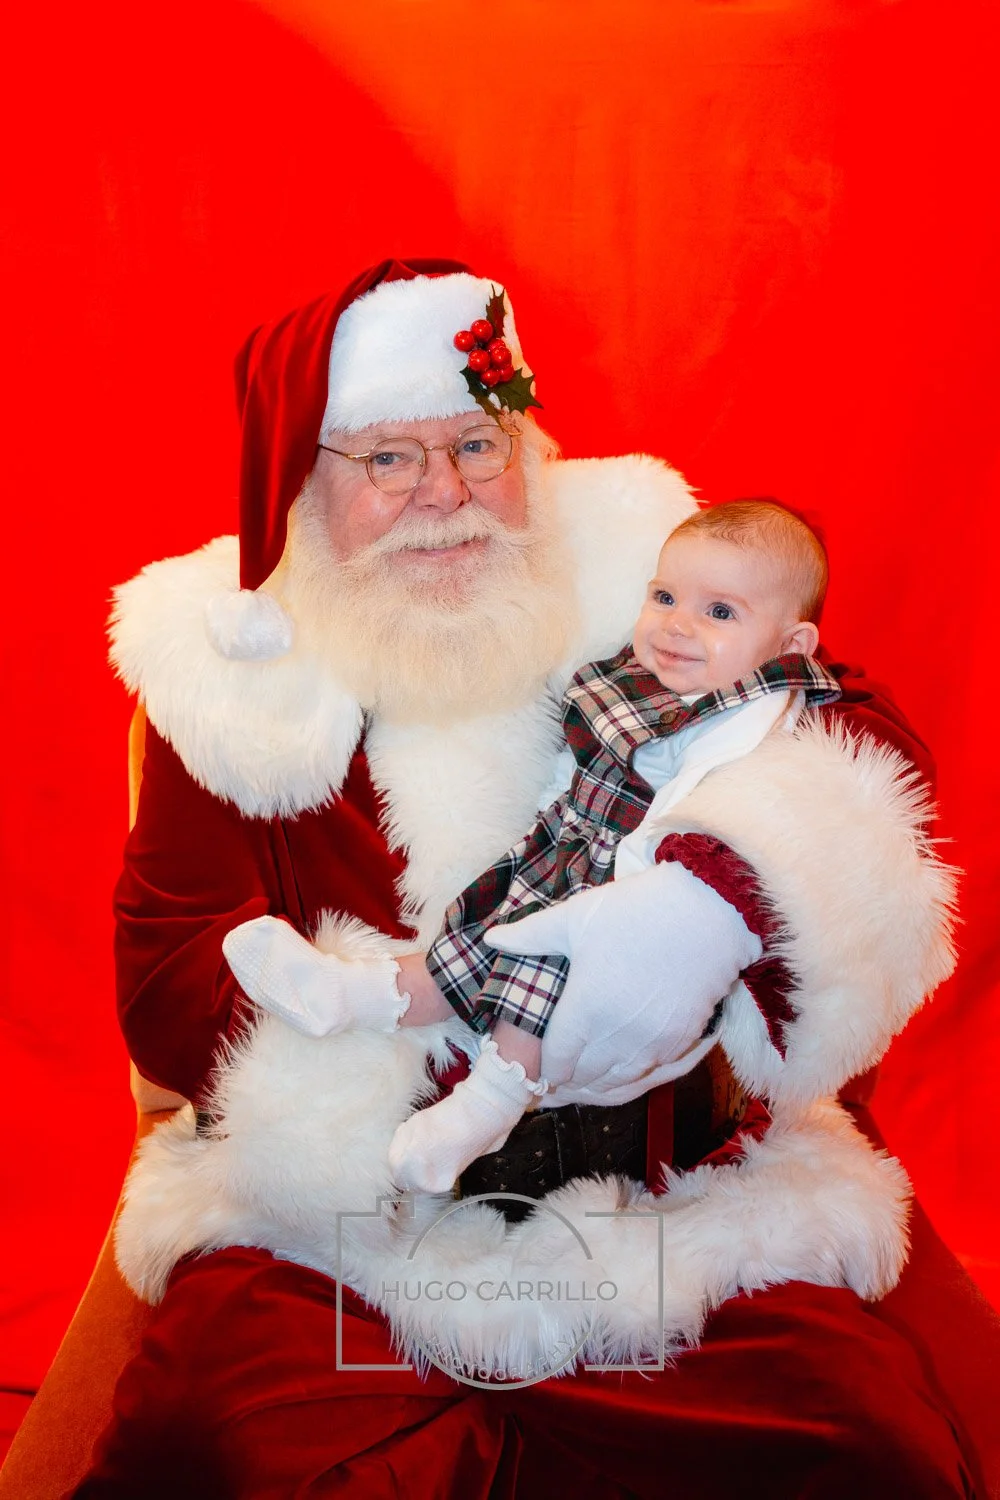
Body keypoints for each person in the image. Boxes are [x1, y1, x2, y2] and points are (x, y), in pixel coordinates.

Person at [79, 258, 976, 1498]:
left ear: (528, 449)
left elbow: (855, 740)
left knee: (863, 1449)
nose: (446, 493)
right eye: (389, 459)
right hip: (347, 1235)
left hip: (666, 1204)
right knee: (220, 1450)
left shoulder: (649, 591)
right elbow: (171, 983)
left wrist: (704, 904)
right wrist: (447, 1026)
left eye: (477, 446)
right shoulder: (233, 692)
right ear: (307, 488)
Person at [221, 500, 843, 1196]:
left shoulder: (749, 717)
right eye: (665, 596)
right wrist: (549, 812)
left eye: (719, 612)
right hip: (569, 842)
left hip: (627, 889)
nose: (677, 624)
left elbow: (701, 811)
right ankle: (358, 993)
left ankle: (489, 1102)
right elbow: (586, 759)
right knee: (473, 934)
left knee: (538, 979)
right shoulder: (653, 680)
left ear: (791, 646)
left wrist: (625, 895)